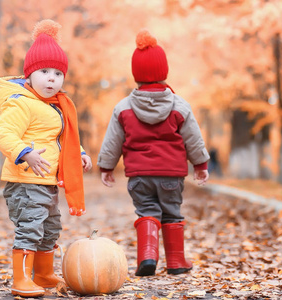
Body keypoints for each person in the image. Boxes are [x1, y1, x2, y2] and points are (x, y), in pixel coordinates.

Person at [97, 30, 210, 277]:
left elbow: (112, 141)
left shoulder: (124, 107)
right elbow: (193, 138)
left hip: (139, 176)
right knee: (171, 213)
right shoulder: (179, 105)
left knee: (147, 211)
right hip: (171, 174)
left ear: (136, 74)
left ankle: (147, 257)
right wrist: (200, 164)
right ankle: (177, 262)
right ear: (164, 72)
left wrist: (106, 167)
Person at [0, 19, 92, 297]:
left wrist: (80, 153)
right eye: (44, 71)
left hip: (47, 181)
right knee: (31, 227)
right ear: (29, 76)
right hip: (25, 181)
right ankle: (22, 278)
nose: (52, 78)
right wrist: (25, 152)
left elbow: (61, 138)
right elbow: (4, 132)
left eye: (58, 73)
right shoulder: (21, 102)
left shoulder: (55, 106)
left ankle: (44, 274)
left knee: (50, 228)